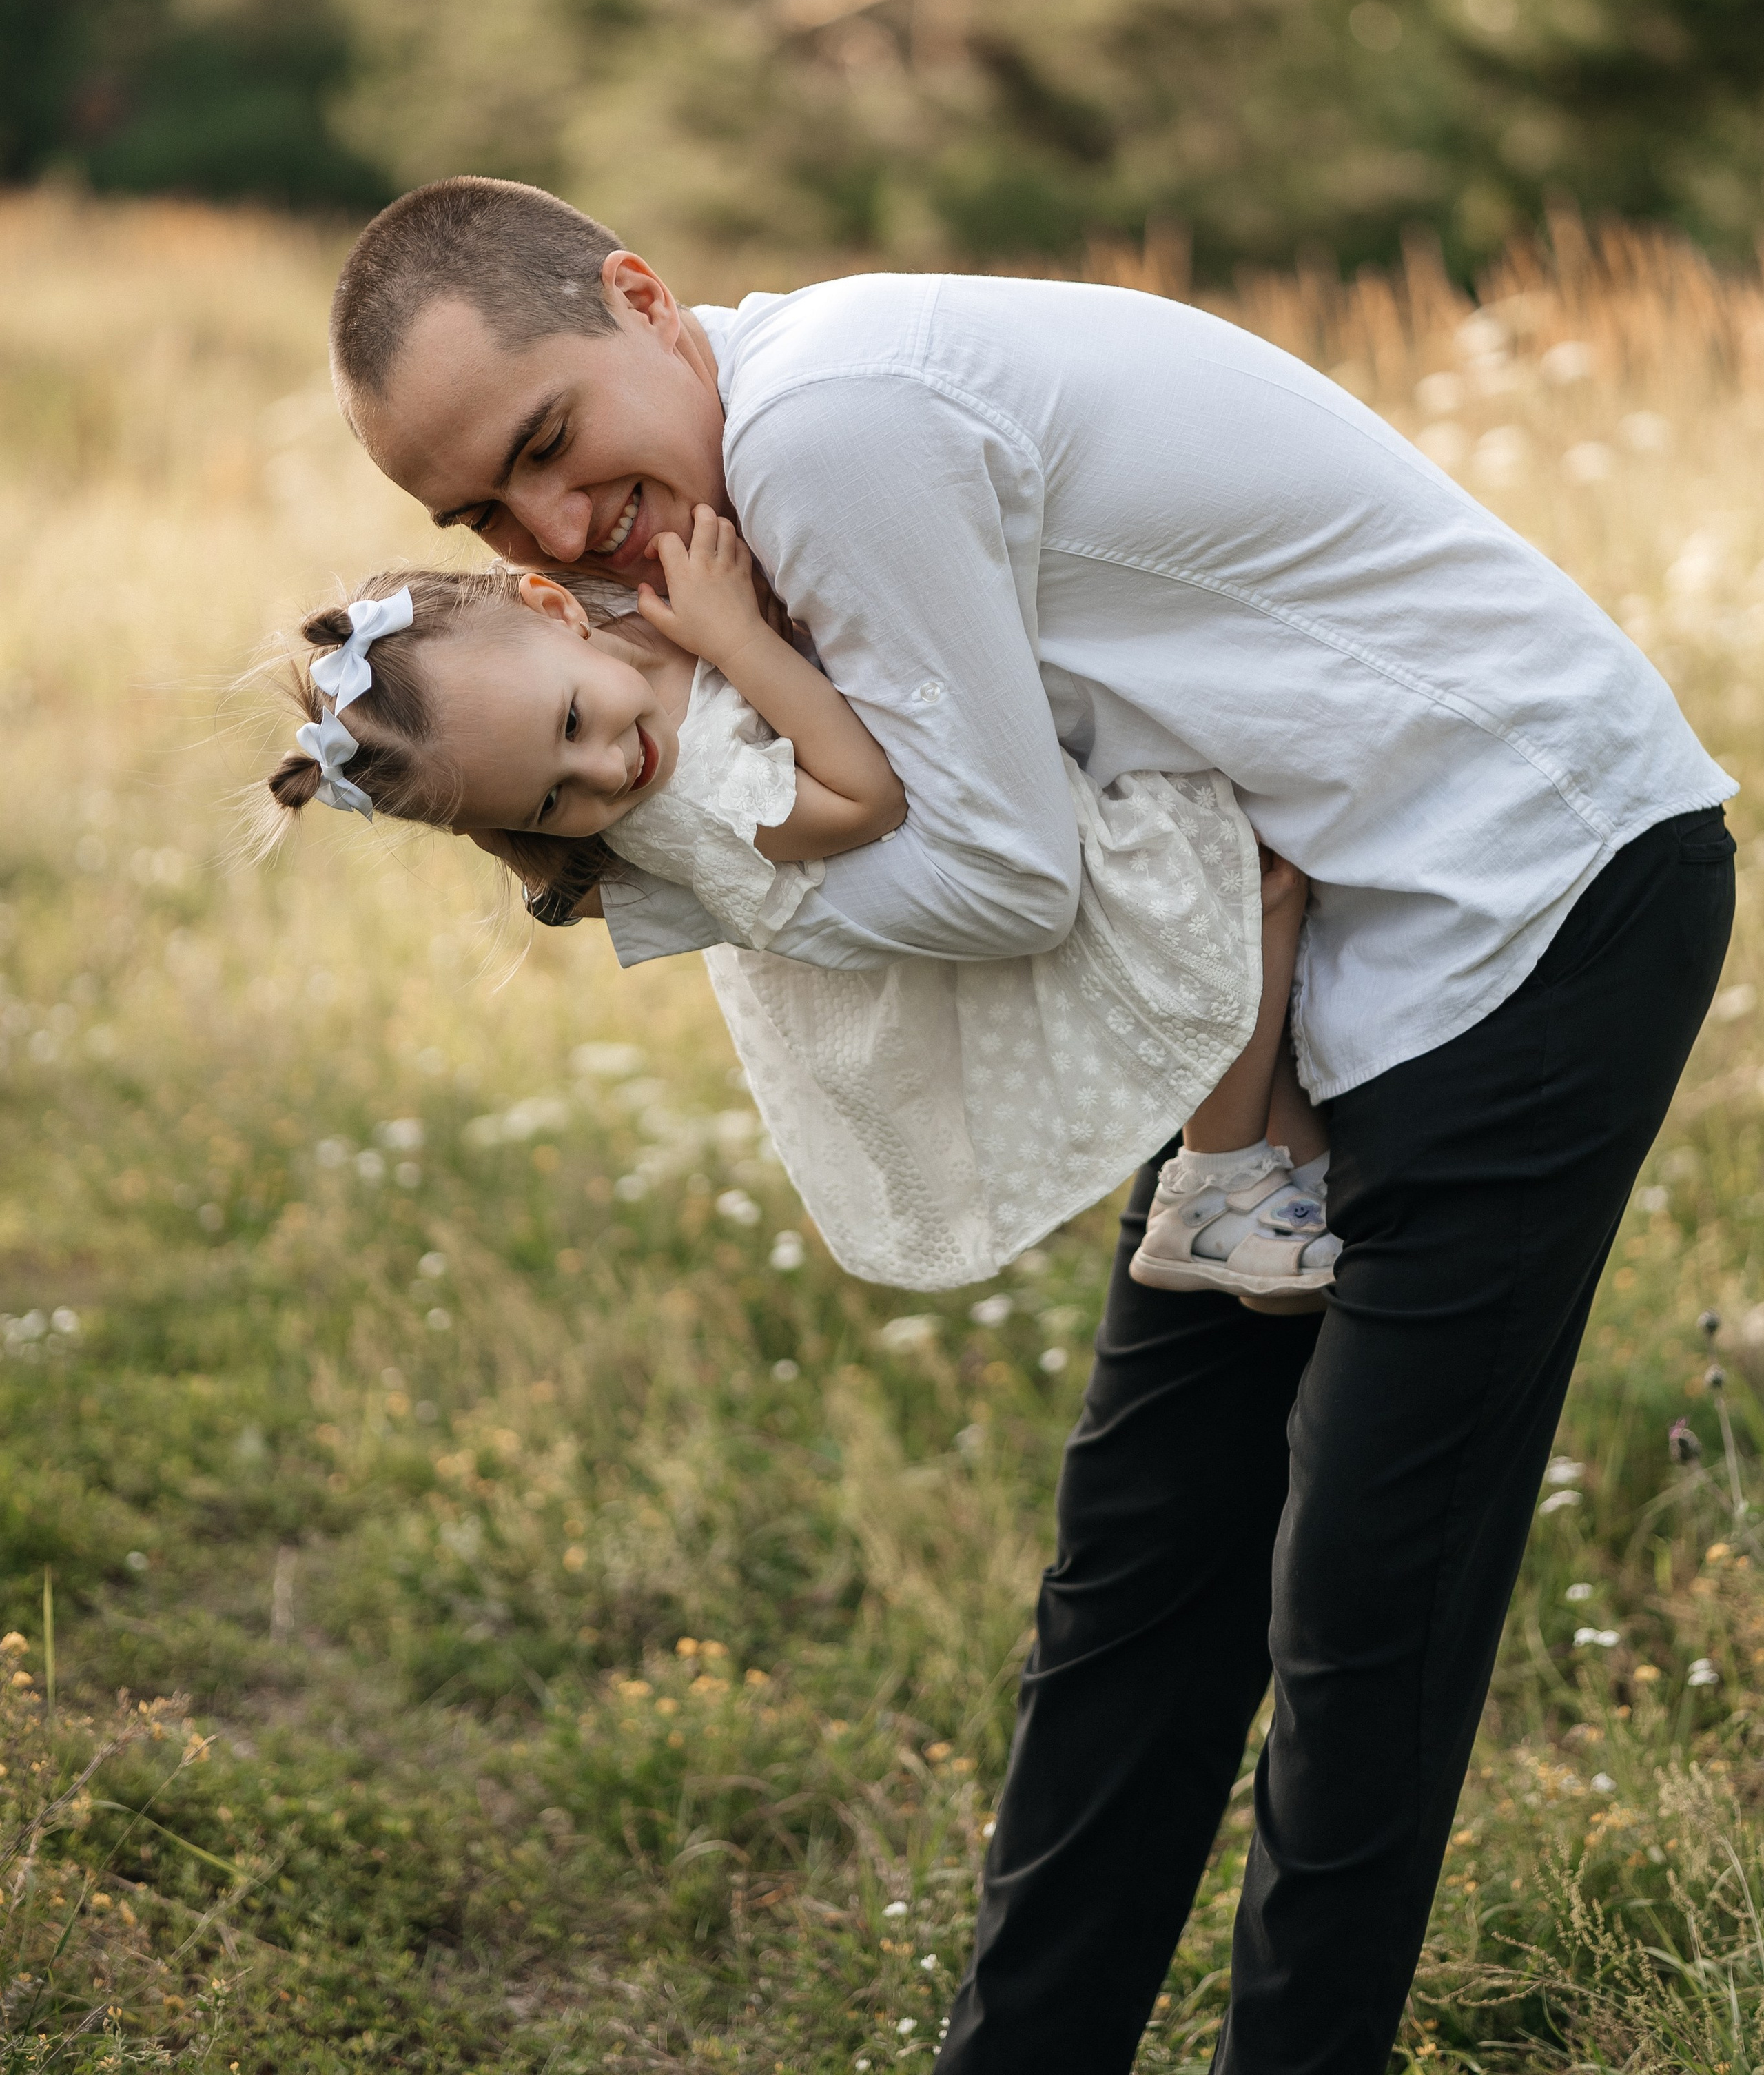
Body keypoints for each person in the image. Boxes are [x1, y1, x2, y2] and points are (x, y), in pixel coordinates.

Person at [325, 174, 1735, 2075]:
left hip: (1523, 890)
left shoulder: (831, 425)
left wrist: (703, 864)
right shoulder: (722, 515)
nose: (556, 530)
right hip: (1294, 954)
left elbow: (999, 879)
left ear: (644, 300)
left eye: (548, 441)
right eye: (487, 515)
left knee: (1364, 1605)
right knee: (1141, 1566)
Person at [262, 508, 1335, 1302]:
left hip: (979, 830)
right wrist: (738, 639)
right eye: (553, 801)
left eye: (574, 723)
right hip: (947, 916)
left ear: (553, 608)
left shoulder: (604, 611)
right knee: (1249, 881)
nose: (607, 770)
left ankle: (1270, 1192)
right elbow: (865, 798)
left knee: (1238, 914)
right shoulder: (688, 804)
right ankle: (1218, 1178)